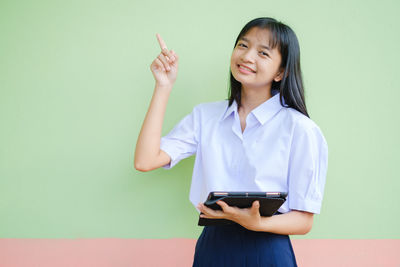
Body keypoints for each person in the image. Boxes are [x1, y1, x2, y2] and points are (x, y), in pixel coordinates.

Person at [134, 17, 328, 267]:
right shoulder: (206, 117)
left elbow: (304, 221)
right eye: (243, 45)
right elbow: (145, 160)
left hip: (268, 249)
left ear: (281, 72)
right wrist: (163, 86)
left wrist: (258, 223)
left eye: (263, 53)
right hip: (214, 247)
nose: (247, 57)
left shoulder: (300, 129)